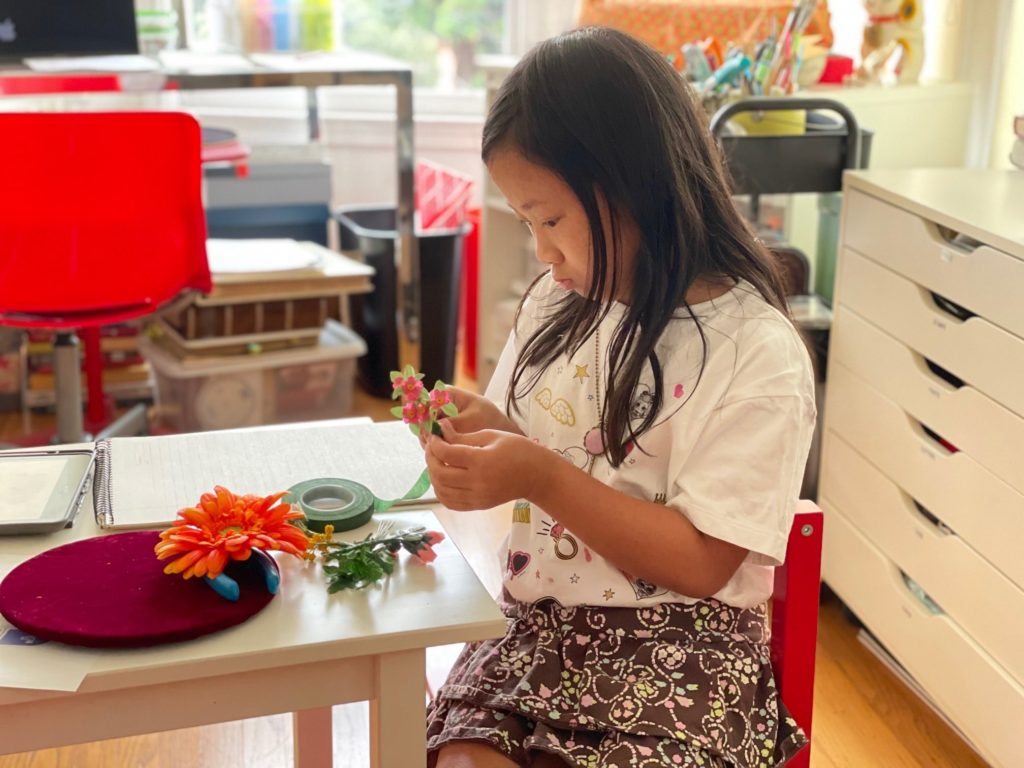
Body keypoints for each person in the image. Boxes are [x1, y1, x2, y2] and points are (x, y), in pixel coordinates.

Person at [424, 25, 816, 768]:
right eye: (526, 222)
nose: (541, 252)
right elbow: (539, 444)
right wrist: (488, 438)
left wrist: (536, 473)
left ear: (635, 186)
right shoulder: (555, 305)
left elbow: (703, 562)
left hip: (690, 649)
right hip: (540, 629)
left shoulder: (755, 353)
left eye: (551, 220)